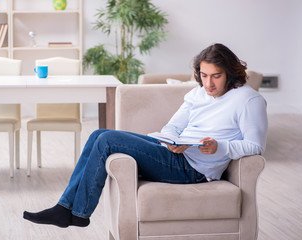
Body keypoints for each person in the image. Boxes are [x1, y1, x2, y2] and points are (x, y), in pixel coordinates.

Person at [23, 43, 268, 228]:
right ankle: (65, 208)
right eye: (204, 76)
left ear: (230, 73)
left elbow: (255, 146)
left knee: (107, 140)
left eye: (216, 76)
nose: (209, 84)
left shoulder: (248, 100)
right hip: (173, 152)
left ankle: (78, 213)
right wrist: (173, 141)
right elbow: (172, 126)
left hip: (193, 169)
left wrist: (219, 147)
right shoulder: (198, 93)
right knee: (99, 133)